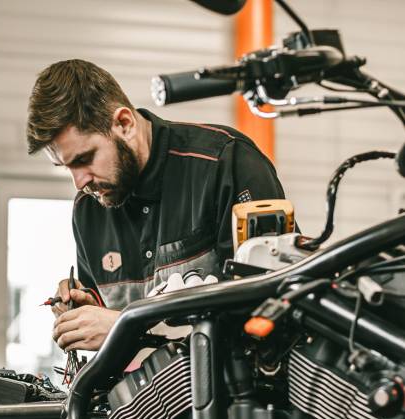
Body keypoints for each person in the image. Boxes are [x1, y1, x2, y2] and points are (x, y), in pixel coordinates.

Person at [26, 59, 285, 352]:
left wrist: (127, 325)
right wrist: (88, 307)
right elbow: (105, 315)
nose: (79, 182)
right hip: (142, 396)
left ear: (124, 124)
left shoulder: (225, 163)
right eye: (65, 167)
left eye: (84, 159)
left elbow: (274, 305)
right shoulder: (88, 209)